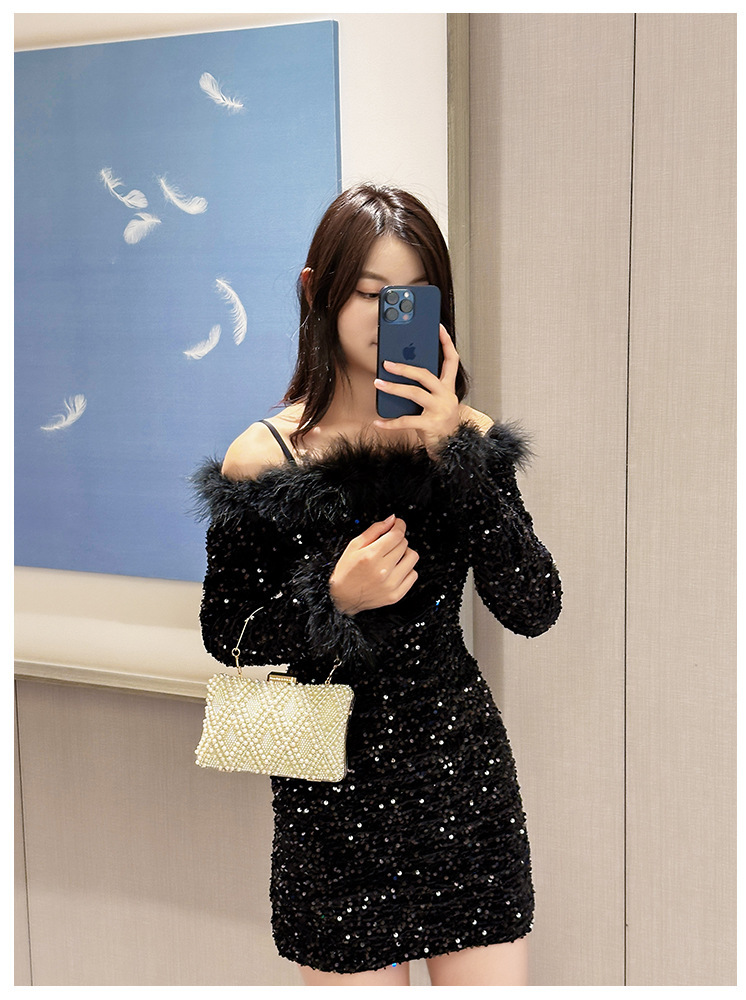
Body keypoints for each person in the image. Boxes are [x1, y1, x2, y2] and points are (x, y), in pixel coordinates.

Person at [193, 184, 562, 986]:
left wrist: (455, 458)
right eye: (369, 293)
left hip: (460, 780)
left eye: (410, 297)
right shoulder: (265, 456)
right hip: (328, 800)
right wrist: (333, 599)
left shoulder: (467, 439)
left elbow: (534, 605)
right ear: (315, 290)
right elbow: (228, 633)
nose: (389, 315)